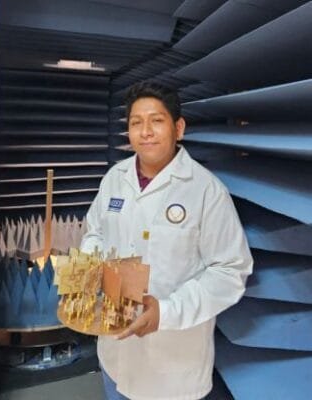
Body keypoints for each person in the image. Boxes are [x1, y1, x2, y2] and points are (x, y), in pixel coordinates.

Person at [80, 82, 253, 399]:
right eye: (136, 122)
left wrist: (167, 312)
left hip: (172, 372)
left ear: (178, 128)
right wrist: (90, 272)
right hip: (114, 358)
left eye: (156, 120)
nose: (145, 131)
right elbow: (95, 233)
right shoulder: (115, 178)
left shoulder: (206, 190)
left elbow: (230, 271)